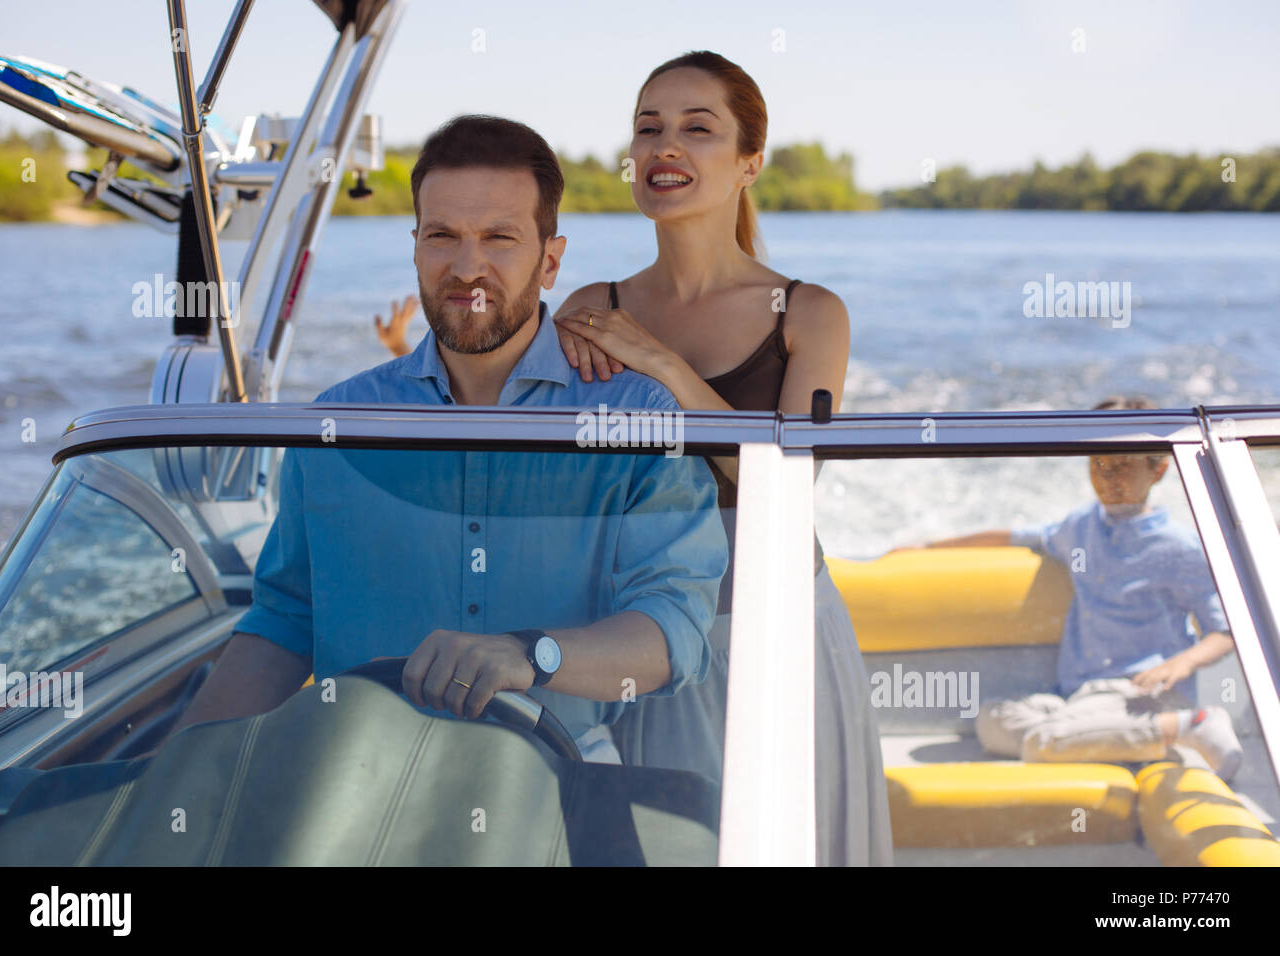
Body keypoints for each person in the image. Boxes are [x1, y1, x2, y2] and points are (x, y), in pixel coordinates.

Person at [165, 115, 728, 763]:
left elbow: (675, 629)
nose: (467, 268)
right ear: (415, 249)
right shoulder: (338, 422)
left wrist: (531, 654)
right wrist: (171, 773)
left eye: (499, 237)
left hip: (561, 782)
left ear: (550, 261)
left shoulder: (634, 415)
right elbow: (286, 620)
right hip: (352, 780)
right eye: (442, 237)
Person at [548, 51, 891, 866]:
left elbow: (784, 488)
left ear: (749, 162)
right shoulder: (590, 310)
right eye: (648, 129)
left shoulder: (810, 314)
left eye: (697, 129)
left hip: (775, 625)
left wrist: (664, 367)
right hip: (646, 632)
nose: (665, 147)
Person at [915, 396, 1243, 781]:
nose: (1108, 476)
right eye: (1098, 463)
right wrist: (926, 547)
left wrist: (1181, 663)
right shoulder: (1080, 526)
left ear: (1158, 470)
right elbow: (1017, 537)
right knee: (992, 720)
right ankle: (1114, 743)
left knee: (1042, 742)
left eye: (1122, 465)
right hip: (1080, 695)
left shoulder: (1180, 547)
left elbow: (1224, 630)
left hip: (1144, 696)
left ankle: (1191, 724)